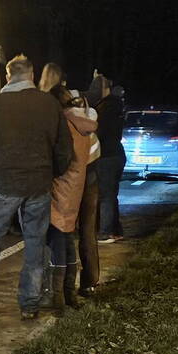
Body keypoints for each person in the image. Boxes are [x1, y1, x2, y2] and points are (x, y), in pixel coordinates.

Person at [0, 55, 72, 319]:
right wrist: (54, 171)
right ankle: (29, 304)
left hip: (7, 182)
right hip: (40, 182)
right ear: (31, 75)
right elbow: (64, 147)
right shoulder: (49, 104)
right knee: (35, 243)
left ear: (9, 76)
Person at [46, 85, 99, 313]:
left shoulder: (65, 125)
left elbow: (62, 158)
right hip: (76, 187)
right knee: (67, 238)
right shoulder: (83, 124)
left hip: (62, 187)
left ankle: (58, 297)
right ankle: (70, 295)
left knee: (58, 238)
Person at [76, 70, 106, 296]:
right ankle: (89, 281)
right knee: (88, 229)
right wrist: (97, 77)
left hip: (68, 178)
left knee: (63, 231)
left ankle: (62, 286)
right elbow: (96, 92)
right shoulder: (91, 115)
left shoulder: (61, 116)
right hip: (90, 175)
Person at [95, 80, 126, 243]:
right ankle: (115, 230)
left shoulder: (106, 107)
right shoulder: (115, 105)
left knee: (105, 195)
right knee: (111, 194)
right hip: (115, 154)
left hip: (107, 156)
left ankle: (105, 231)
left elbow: (99, 132)